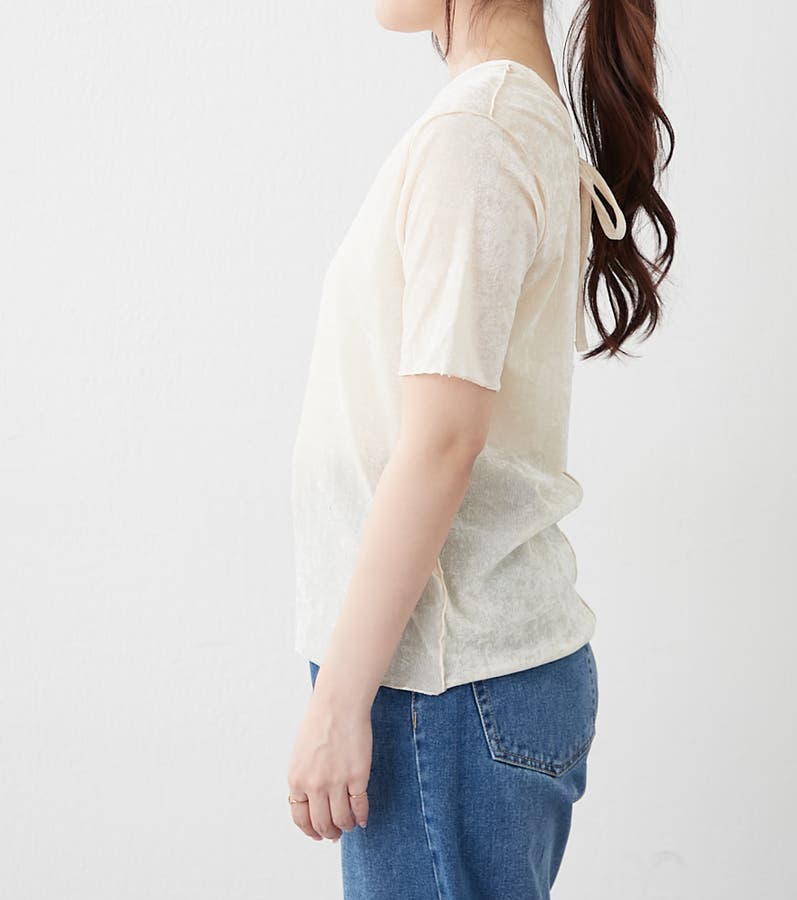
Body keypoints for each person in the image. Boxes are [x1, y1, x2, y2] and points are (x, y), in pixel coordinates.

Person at [287, 1, 675, 897]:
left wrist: (340, 699)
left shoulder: (479, 134)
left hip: (440, 684)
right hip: (450, 677)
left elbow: (444, 439)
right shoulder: (501, 118)